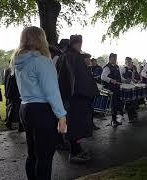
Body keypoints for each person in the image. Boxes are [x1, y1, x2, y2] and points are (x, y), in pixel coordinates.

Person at [12, 26, 67, 180]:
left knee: (33, 154)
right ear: (41, 39)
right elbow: (52, 92)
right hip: (41, 110)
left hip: (26, 108)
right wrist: (62, 116)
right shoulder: (42, 61)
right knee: (45, 157)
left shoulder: (19, 61)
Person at [57, 35, 99, 163]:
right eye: (79, 43)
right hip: (75, 97)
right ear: (76, 43)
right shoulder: (72, 56)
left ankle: (77, 149)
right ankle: (74, 153)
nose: (81, 45)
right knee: (74, 126)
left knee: (75, 126)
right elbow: (76, 78)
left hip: (72, 97)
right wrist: (89, 91)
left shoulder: (68, 55)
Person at [101, 53, 126, 127]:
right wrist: (111, 80)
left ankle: (115, 120)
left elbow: (120, 77)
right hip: (111, 89)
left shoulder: (117, 67)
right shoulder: (107, 67)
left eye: (115, 58)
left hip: (117, 88)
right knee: (113, 105)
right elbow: (103, 77)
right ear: (110, 58)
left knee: (118, 104)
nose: (115, 60)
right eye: (113, 58)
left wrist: (125, 80)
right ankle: (113, 121)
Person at [4, 64, 23, 132]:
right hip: (15, 92)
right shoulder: (14, 69)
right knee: (15, 108)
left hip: (12, 92)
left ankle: (11, 123)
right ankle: (17, 125)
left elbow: (6, 82)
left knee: (14, 108)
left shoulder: (8, 70)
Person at [121, 57, 140, 123]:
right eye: (128, 61)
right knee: (128, 102)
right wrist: (125, 80)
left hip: (131, 87)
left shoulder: (132, 70)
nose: (129, 63)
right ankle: (130, 118)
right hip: (125, 88)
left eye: (130, 61)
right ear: (126, 62)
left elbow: (132, 78)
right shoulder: (123, 69)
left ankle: (133, 114)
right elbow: (120, 77)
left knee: (133, 101)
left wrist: (135, 80)